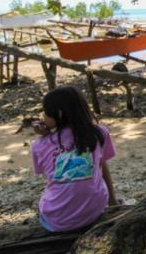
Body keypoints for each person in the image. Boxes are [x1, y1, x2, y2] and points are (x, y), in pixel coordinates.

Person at [31, 86, 117, 232]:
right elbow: (102, 164)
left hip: (57, 219)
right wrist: (113, 202)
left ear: (59, 114)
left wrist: (46, 136)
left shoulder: (40, 145)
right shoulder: (99, 133)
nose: (42, 117)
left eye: (45, 113)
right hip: (94, 211)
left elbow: (47, 174)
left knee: (46, 202)